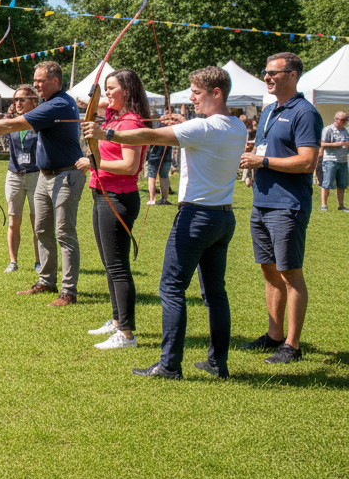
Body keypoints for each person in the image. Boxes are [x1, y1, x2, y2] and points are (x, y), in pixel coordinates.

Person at [84, 66, 245, 379]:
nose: (192, 98)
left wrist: (107, 134)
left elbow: (150, 134)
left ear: (216, 93)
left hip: (196, 217)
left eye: (196, 93)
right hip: (224, 217)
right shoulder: (238, 127)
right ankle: (217, 362)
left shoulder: (201, 128)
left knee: (171, 290)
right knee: (215, 293)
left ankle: (170, 365)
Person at [0, 61, 84, 306]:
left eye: (40, 81)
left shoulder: (58, 104)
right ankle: (46, 281)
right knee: (40, 230)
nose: (36, 85)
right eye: (35, 80)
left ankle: (68, 292)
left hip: (65, 175)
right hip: (45, 175)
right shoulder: (52, 103)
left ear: (56, 82)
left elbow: (12, 124)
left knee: (64, 233)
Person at [238, 53, 322, 364]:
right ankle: (273, 335)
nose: (267, 77)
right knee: (269, 271)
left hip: (288, 205)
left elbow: (307, 161)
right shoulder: (271, 110)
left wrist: (264, 161)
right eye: (266, 72)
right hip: (262, 202)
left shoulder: (305, 112)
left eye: (274, 72)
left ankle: (292, 345)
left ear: (293, 75)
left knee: (290, 273)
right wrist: (255, 159)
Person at [76, 69, 151, 350]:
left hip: (118, 196)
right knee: (110, 264)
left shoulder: (130, 123)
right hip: (102, 194)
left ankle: (127, 333)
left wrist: (93, 163)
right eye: (105, 89)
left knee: (118, 267)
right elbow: (94, 106)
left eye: (111, 88)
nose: (107, 94)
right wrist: (95, 98)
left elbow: (131, 167)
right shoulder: (114, 118)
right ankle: (118, 321)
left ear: (127, 92)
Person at [0, 86, 43, 275]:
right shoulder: (11, 123)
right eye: (15, 100)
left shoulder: (41, 123)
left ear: (34, 102)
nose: (18, 103)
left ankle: (39, 262)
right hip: (14, 176)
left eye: (22, 100)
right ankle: (13, 262)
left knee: (37, 223)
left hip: (35, 176)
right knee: (13, 222)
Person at [319, 111, 349, 212]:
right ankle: (324, 205)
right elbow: (322, 144)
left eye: (340, 120)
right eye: (336, 118)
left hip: (343, 161)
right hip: (330, 161)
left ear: (345, 122)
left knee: (342, 185)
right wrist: (338, 144)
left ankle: (341, 206)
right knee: (326, 183)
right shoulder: (328, 129)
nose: (337, 121)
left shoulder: (346, 131)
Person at [144, 110, 173, 205]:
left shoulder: (153, 125)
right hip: (165, 154)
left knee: (152, 175)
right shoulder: (169, 125)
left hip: (155, 154)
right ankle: (164, 199)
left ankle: (152, 199)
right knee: (164, 176)